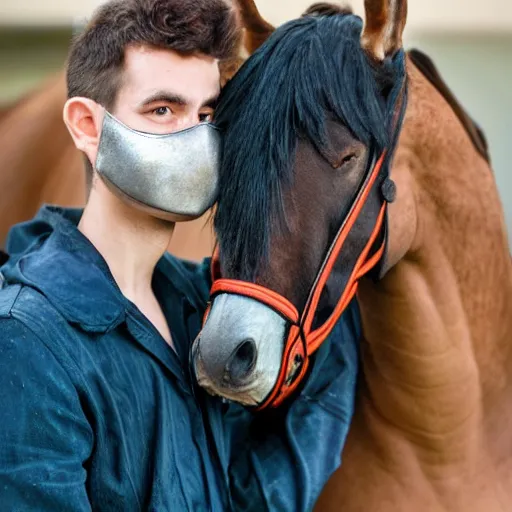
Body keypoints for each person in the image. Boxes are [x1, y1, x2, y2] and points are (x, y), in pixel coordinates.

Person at [0, 0, 361, 510]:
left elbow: (249, 497)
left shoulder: (196, 308)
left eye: (208, 113)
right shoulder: (27, 337)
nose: (195, 137)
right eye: (163, 110)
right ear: (86, 125)